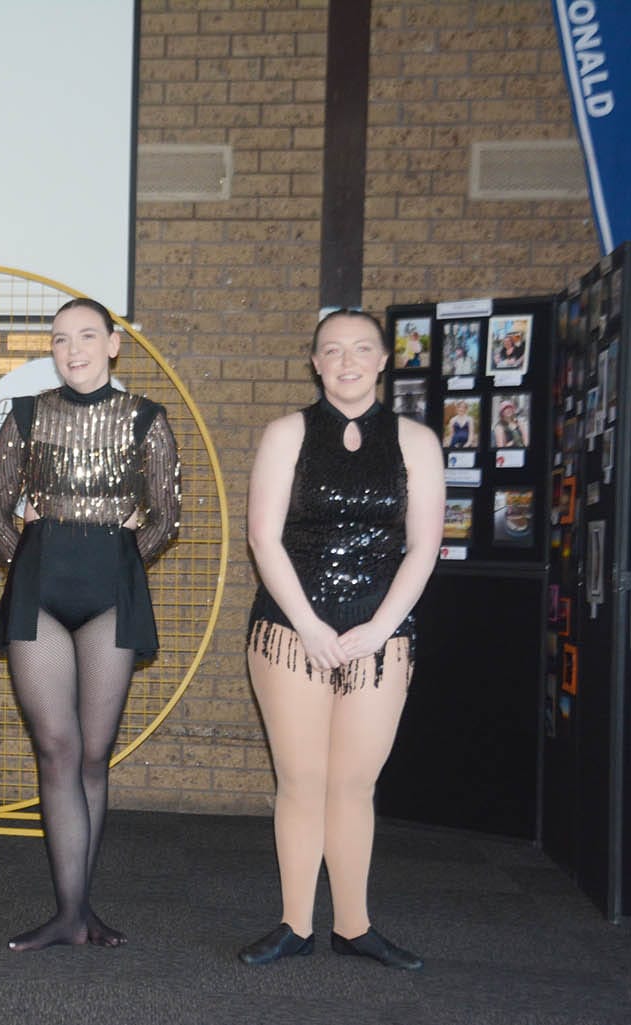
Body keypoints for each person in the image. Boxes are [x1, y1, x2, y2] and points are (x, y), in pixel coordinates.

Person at [238, 308, 443, 970]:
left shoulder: (416, 441)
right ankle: (294, 922)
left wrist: (378, 628)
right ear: (314, 362)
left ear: (384, 360)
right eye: (332, 350)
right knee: (300, 779)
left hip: (379, 637)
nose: (346, 360)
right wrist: (309, 625)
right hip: (290, 629)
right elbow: (262, 537)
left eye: (360, 349)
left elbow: (423, 546)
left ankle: (353, 925)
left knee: (353, 784)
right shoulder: (284, 434)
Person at [0, 297, 180, 951]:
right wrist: (38, 556)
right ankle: (68, 913)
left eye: (87, 336)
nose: (73, 348)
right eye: (61, 338)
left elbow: (164, 517)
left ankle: (84, 908)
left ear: (113, 344)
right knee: (58, 749)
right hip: (38, 592)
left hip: (109, 595)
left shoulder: (146, 419)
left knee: (93, 755)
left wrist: (115, 550)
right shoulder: (24, 415)